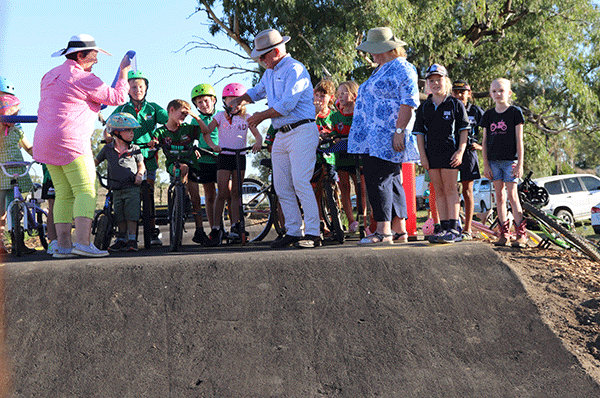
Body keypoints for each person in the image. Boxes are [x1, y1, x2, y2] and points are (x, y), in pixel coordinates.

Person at [227, 28, 321, 248]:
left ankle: (314, 233)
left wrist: (260, 116)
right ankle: (294, 231)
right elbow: (259, 91)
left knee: (300, 181)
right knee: (281, 185)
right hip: (282, 134)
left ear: (276, 52)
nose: (261, 60)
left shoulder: (295, 69)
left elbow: (287, 104)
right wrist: (241, 98)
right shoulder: (270, 72)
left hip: (302, 131)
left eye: (263, 56)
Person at [348, 27, 420, 245]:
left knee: (378, 179)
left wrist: (399, 131)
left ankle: (383, 230)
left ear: (388, 48)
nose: (372, 53)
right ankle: (398, 230)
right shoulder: (380, 69)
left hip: (386, 134)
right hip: (371, 136)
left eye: (375, 49)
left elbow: (409, 101)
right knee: (391, 180)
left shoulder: (401, 68)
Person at [104, 70, 168, 246]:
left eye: (140, 86)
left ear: (146, 88)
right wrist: (108, 137)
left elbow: (169, 122)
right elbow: (108, 127)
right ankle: (123, 235)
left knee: (148, 193)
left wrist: (158, 137)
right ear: (127, 89)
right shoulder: (122, 109)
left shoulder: (153, 108)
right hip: (127, 158)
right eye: (133, 86)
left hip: (148, 156)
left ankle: (152, 230)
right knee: (124, 195)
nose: (137, 89)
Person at [197, 83, 263, 244]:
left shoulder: (247, 118)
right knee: (222, 194)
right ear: (224, 101)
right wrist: (213, 146)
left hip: (240, 156)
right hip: (224, 156)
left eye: (237, 100)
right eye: (230, 100)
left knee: (236, 193)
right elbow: (206, 132)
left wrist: (258, 142)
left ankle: (235, 226)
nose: (233, 104)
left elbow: (258, 135)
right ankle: (216, 228)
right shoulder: (219, 116)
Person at [414, 64, 470, 244]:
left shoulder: (455, 104)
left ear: (446, 81)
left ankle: (455, 227)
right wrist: (422, 156)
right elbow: (420, 134)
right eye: (432, 80)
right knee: (438, 190)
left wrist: (460, 151)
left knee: (450, 189)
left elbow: (463, 130)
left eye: (439, 79)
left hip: (450, 154)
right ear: (427, 84)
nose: (435, 83)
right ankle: (444, 226)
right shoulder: (424, 107)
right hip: (431, 155)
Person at [151, 99, 206, 242]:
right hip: (173, 164)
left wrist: (196, 117)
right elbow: (155, 141)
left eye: (186, 115)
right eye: (182, 113)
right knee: (182, 168)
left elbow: (205, 131)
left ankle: (199, 231)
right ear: (171, 111)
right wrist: (154, 143)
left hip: (191, 163)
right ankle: (181, 197)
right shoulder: (161, 131)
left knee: (196, 197)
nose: (184, 117)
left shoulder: (188, 128)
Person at [481, 78, 527, 247]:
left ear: (508, 92)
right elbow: (484, 141)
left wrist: (520, 163)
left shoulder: (515, 112)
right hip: (493, 161)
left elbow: (519, 139)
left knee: (513, 196)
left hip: (510, 161)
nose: (497, 94)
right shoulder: (488, 115)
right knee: (499, 197)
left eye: (501, 90)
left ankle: (521, 234)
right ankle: (504, 234)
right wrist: (485, 164)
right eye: (494, 91)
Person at [95, 113, 145, 251]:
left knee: (132, 214)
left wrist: (139, 175)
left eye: (132, 130)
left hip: (131, 187)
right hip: (116, 188)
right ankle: (121, 239)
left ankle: (132, 240)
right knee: (119, 215)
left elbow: (141, 164)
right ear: (117, 132)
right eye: (128, 130)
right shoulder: (107, 149)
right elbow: (95, 162)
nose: (131, 133)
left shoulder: (134, 149)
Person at [330, 81, 368, 233]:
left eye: (344, 92)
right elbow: (331, 132)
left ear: (354, 95)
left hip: (358, 155)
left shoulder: (361, 113)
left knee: (362, 189)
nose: (341, 96)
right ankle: (351, 221)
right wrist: (334, 137)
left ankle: (363, 220)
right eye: (339, 93)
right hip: (342, 156)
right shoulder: (335, 117)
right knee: (344, 187)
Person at [190, 83, 224, 244]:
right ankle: (214, 229)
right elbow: (190, 139)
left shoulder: (222, 115)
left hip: (222, 157)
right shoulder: (195, 121)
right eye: (199, 102)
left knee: (227, 193)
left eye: (206, 100)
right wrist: (193, 149)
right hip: (204, 159)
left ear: (214, 100)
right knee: (210, 196)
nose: (203, 105)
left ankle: (232, 228)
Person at [0, 94, 34, 254]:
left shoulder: (17, 131)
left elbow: (28, 148)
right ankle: (1, 241)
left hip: (16, 172)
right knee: (1, 211)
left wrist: (40, 154)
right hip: (2, 173)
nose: (16, 118)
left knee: (15, 208)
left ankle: (17, 240)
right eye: (12, 114)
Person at [451, 79, 484, 240]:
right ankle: (451, 225)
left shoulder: (476, 110)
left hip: (469, 153)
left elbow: (492, 129)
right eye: (456, 92)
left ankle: (468, 228)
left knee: (467, 191)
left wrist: (482, 146)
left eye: (462, 92)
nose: (459, 95)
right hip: (450, 152)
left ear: (469, 94)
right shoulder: (449, 108)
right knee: (450, 191)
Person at [312, 79, 336, 236]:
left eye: (323, 96)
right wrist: (314, 114)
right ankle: (320, 221)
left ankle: (336, 220)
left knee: (333, 189)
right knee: (316, 190)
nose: (320, 99)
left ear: (331, 98)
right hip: (314, 157)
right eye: (317, 95)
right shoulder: (309, 113)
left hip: (331, 157)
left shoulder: (333, 115)